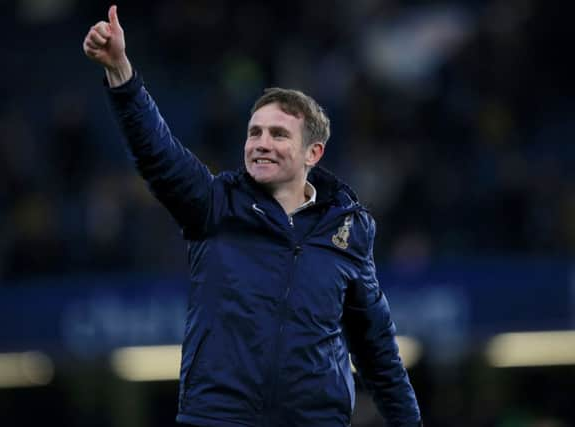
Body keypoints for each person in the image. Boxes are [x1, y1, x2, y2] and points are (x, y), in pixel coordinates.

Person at [83, 5, 422, 427]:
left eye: (279, 134)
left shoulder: (348, 232)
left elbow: (379, 354)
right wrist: (121, 74)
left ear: (312, 153)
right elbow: (158, 153)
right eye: (254, 132)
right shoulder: (214, 204)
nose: (261, 143)